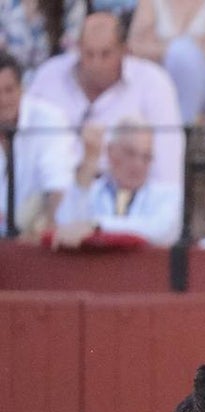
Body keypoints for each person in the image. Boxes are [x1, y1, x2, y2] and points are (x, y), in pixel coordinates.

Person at [26, 10, 184, 187]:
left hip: (126, 195)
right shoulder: (48, 77)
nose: (96, 64)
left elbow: (167, 167)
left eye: (105, 54)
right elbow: (25, 148)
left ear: (124, 51)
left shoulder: (153, 83)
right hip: (53, 193)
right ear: (78, 49)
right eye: (89, 54)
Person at [127, 0, 205, 164]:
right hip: (162, 79)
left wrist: (173, 49)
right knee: (180, 52)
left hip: (202, 83)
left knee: (184, 54)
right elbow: (135, 46)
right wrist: (173, 51)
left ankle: (181, 131)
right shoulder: (150, 3)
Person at [52, 116, 180, 246]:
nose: (138, 164)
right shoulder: (90, 191)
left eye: (146, 157)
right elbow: (66, 226)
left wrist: (97, 226)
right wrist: (89, 163)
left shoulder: (168, 196)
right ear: (110, 151)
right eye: (130, 153)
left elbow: (159, 230)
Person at [0, 48, 76, 235]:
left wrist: (46, 225)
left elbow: (57, 184)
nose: (2, 100)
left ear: (22, 89)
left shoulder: (49, 119)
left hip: (33, 233)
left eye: (8, 90)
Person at [0, 0, 85, 73]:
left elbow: (72, 55)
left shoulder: (70, 3)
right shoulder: (5, 4)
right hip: (11, 81)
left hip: (54, 79)